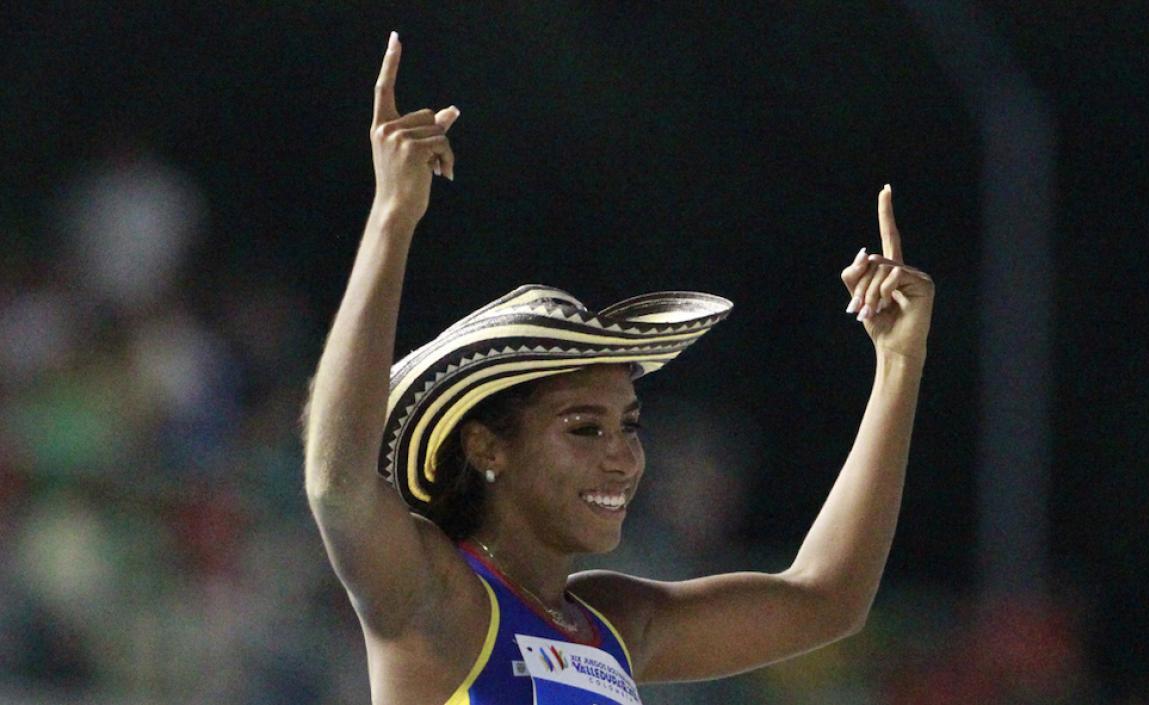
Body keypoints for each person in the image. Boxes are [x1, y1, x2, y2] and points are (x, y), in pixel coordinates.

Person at [303, 32, 934, 705]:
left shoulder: (615, 624)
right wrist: (392, 218)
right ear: (487, 445)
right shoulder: (436, 595)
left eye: (627, 426)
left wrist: (898, 362)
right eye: (584, 428)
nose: (623, 457)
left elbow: (826, 598)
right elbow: (337, 479)